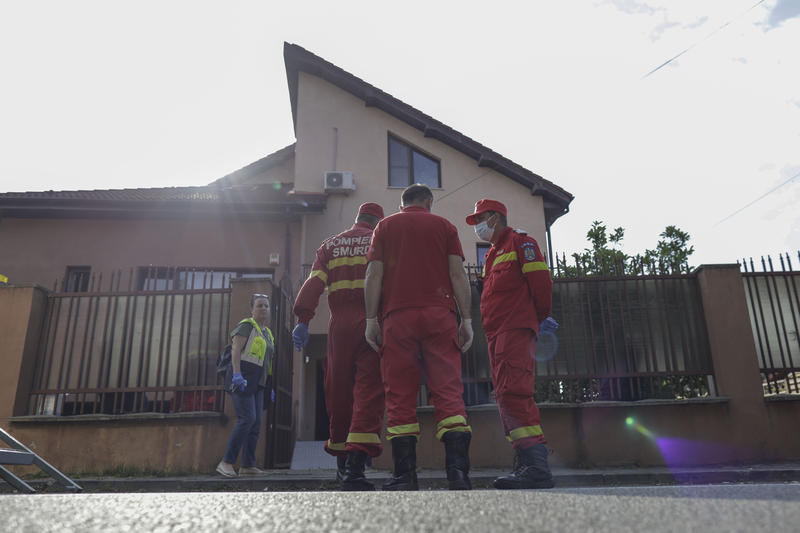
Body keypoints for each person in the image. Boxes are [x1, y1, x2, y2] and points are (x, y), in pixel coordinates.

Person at [364, 183, 474, 491]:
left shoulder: (385, 227)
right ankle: (458, 474)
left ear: (402, 204)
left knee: (400, 395)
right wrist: (466, 319)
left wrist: (371, 320)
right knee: (449, 392)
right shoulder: (445, 227)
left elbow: (374, 274)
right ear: (429, 202)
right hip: (440, 316)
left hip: (397, 318)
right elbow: (457, 275)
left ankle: (405, 476)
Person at [292, 202, 386, 491]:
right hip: (373, 321)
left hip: (339, 326)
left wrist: (303, 319)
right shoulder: (381, 239)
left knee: (338, 390)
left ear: (357, 218)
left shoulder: (330, 245)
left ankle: (342, 465)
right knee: (368, 391)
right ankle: (356, 467)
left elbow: (314, 283)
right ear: (377, 221)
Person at [465, 198, 555, 489]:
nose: (478, 226)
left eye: (480, 219)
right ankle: (528, 462)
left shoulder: (521, 243)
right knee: (505, 394)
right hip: (498, 334)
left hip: (514, 330)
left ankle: (536, 467)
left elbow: (541, 283)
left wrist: (539, 318)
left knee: (514, 392)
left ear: (495, 217)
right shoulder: (492, 254)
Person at [216, 293, 275, 477]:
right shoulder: (247, 326)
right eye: (259, 305)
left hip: (259, 383)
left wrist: (269, 385)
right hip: (243, 380)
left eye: (266, 306)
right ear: (251, 309)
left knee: (256, 423)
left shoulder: (267, 333)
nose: (263, 308)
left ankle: (247, 466)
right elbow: (236, 349)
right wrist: (237, 374)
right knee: (247, 418)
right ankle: (226, 462)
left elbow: (267, 361)